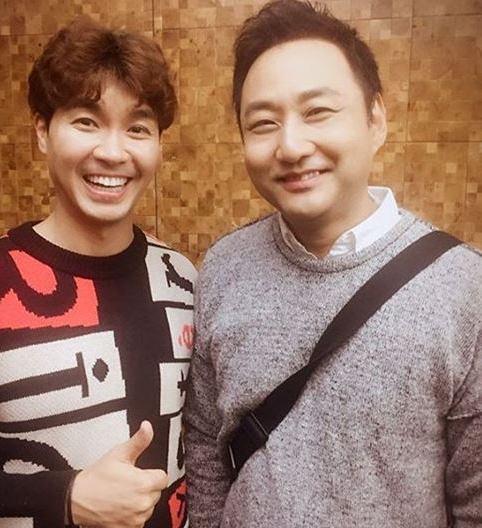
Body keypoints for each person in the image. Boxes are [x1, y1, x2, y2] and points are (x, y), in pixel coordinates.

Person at [183, 1, 482, 527]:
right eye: (263, 123)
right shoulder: (224, 268)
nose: (291, 145)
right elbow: (206, 446)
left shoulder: (462, 288)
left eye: (318, 112)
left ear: (375, 120)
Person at [0, 16, 196, 528]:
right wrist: (64, 497)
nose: (113, 152)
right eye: (87, 121)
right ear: (43, 131)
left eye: (138, 128)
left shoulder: (181, 280)